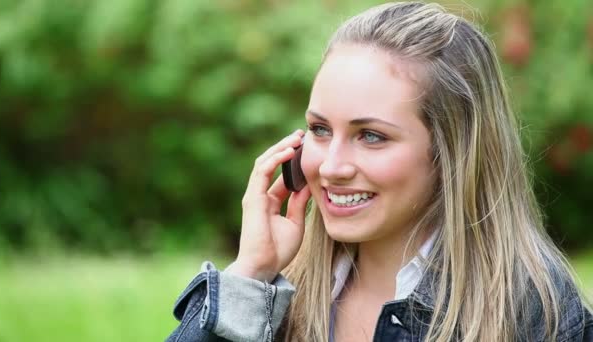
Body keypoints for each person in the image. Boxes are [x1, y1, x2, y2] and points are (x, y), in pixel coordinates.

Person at [166, 2, 593, 341]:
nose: (331, 167)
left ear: (453, 152)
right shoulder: (274, 295)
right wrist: (248, 278)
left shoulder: (534, 310)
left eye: (370, 135)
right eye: (319, 129)